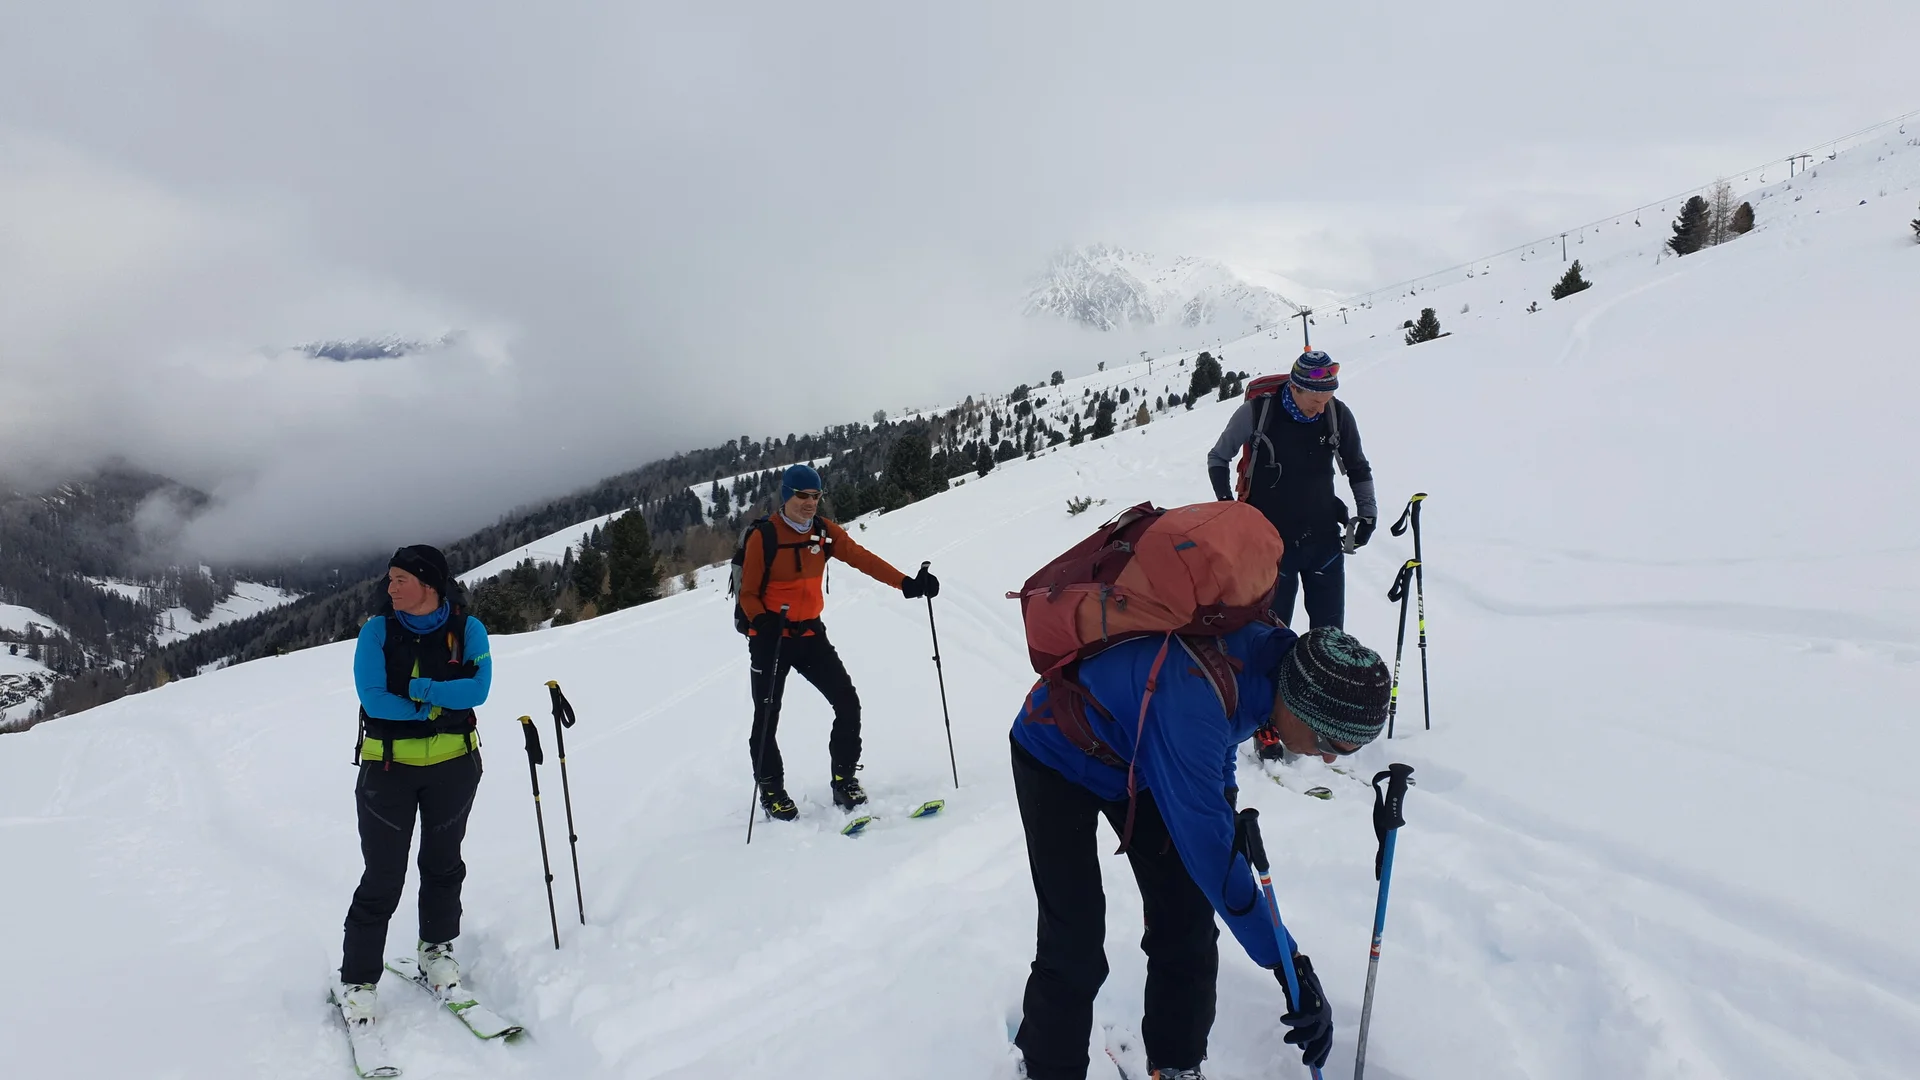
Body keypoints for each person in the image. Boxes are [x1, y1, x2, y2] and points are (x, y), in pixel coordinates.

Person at [1010, 625, 1393, 1080]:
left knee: (1187, 924)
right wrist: (1288, 963)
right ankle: (1049, 1069)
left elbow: (1228, 728)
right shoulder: (1192, 704)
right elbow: (1213, 860)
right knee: (1075, 938)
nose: (1328, 760)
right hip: (1057, 749)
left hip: (1143, 755)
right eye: (1329, 743)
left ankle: (1175, 1066)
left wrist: (1223, 799)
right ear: (1300, 706)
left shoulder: (1274, 663)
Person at [333, 545, 493, 1026]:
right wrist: (439, 706)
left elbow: (479, 689)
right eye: (389, 578)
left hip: (456, 767)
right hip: (388, 771)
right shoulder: (376, 631)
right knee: (383, 877)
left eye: (400, 578)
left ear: (429, 584)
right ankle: (358, 982)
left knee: (444, 864)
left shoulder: (468, 629)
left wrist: (422, 692)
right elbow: (375, 699)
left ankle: (436, 951)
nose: (390, 587)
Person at [739, 463, 939, 820]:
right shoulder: (764, 537)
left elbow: (862, 558)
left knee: (848, 703)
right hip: (771, 640)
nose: (810, 503)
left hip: (810, 634)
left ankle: (843, 779)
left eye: (816, 496)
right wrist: (762, 622)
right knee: (767, 717)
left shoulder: (823, 533)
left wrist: (906, 583)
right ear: (787, 495)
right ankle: (772, 791)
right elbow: (748, 594)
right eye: (803, 496)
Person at [1206, 350, 1376, 631]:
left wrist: (1368, 513)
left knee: (1330, 639)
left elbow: (1358, 467)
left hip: (1324, 541)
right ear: (1295, 387)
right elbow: (1218, 457)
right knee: (1271, 637)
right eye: (1314, 401)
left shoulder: (1337, 414)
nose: (1320, 408)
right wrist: (1227, 506)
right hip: (1269, 546)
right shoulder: (1257, 413)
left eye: (1326, 400)